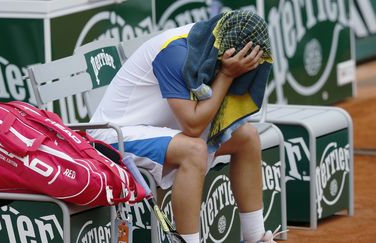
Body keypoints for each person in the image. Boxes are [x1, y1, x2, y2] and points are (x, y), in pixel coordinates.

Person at [89, 9, 280, 243]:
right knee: (194, 150)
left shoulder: (211, 40)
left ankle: (255, 238)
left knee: (247, 137)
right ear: (225, 53)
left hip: (158, 130)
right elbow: (192, 126)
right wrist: (228, 76)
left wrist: (228, 73)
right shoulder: (174, 53)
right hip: (113, 135)